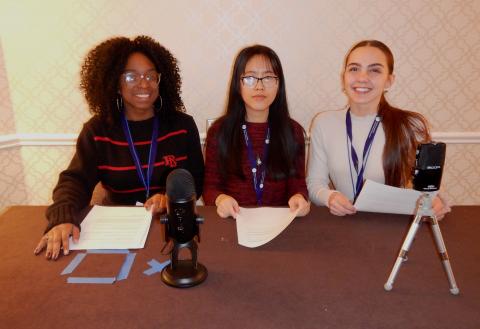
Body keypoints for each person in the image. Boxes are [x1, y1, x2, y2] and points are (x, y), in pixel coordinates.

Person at [34, 36, 204, 259]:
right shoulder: (97, 131)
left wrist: (169, 197)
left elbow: (196, 179)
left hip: (172, 227)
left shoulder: (182, 126)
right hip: (115, 231)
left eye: (151, 75)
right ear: (115, 82)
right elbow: (74, 181)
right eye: (131, 76)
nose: (144, 84)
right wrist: (63, 217)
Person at [307, 40, 451, 218]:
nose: (362, 77)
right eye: (354, 68)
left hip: (395, 228)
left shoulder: (411, 125)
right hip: (345, 226)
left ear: (389, 80)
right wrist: (330, 196)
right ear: (343, 77)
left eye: (374, 70)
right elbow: (314, 183)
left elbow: (430, 187)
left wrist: (435, 201)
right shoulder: (323, 123)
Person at [203, 45, 310, 219]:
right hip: (234, 221)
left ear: (279, 84)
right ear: (238, 84)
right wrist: (220, 199)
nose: (259, 87)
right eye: (250, 78)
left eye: (268, 78)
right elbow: (210, 188)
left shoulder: (293, 131)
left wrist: (300, 197)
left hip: (279, 223)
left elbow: (297, 185)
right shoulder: (219, 131)